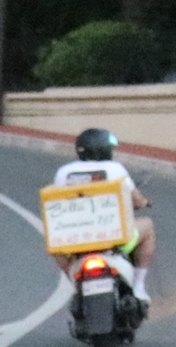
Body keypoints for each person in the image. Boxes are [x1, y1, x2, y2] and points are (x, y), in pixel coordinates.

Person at [52, 127, 155, 299]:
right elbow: (136, 200)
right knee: (148, 226)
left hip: (75, 241)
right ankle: (138, 286)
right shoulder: (115, 169)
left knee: (56, 246)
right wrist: (143, 202)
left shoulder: (64, 172)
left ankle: (76, 285)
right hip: (115, 239)